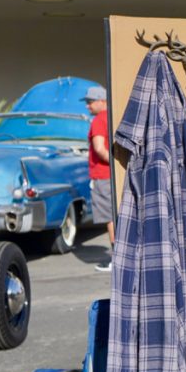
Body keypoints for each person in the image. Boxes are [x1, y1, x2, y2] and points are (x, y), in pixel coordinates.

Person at [84, 86, 114, 271]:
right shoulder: (113, 116)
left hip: (103, 176)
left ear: (101, 101)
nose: (87, 106)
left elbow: (100, 148)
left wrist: (110, 162)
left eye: (90, 102)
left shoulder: (98, 120)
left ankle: (115, 259)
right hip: (112, 176)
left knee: (110, 218)